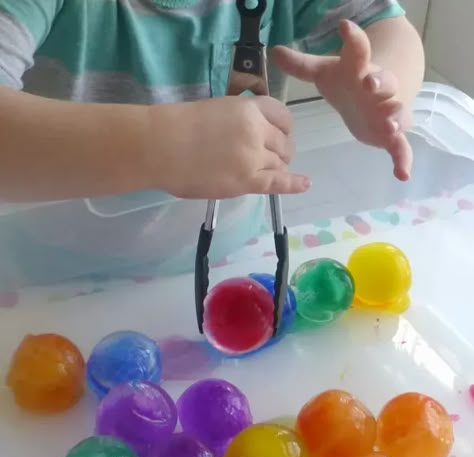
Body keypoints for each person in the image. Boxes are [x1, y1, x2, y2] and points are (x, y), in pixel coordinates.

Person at [0, 0, 424, 287]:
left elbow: (386, 25)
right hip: (50, 276)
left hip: (234, 255)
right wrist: (162, 144)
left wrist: (381, 87)